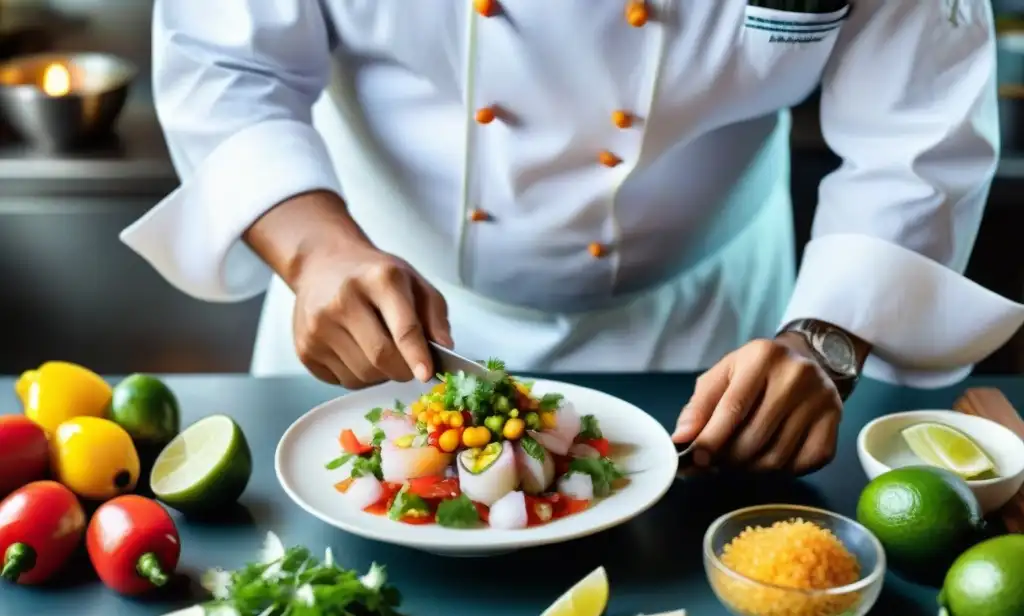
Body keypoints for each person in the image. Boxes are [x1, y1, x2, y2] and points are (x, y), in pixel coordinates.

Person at [123, 0, 1024, 475]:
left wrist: (827, 338)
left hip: (717, 338)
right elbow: (224, 57)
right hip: (375, 314)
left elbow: (921, 131)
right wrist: (313, 247)